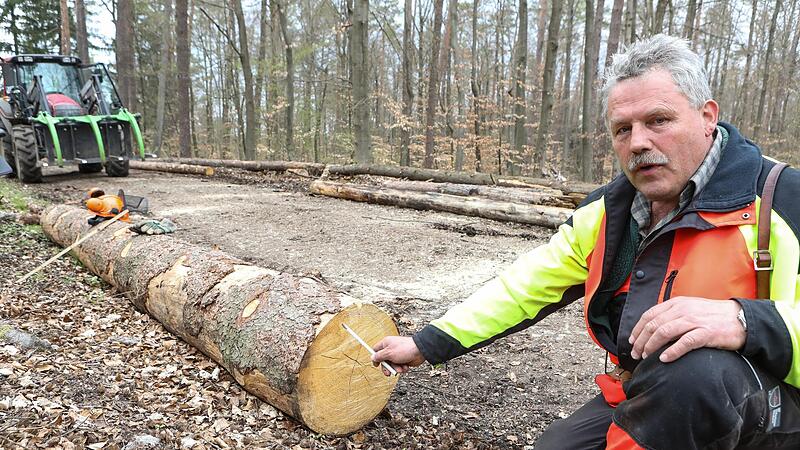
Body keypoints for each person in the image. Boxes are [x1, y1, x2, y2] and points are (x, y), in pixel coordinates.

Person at [371, 34, 800, 449]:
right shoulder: (609, 213)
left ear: (707, 117)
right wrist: (426, 343)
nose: (639, 143)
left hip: (774, 407)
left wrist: (747, 322)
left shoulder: (782, 199)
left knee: (697, 375)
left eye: (658, 121)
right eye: (622, 129)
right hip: (651, 393)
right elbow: (524, 286)